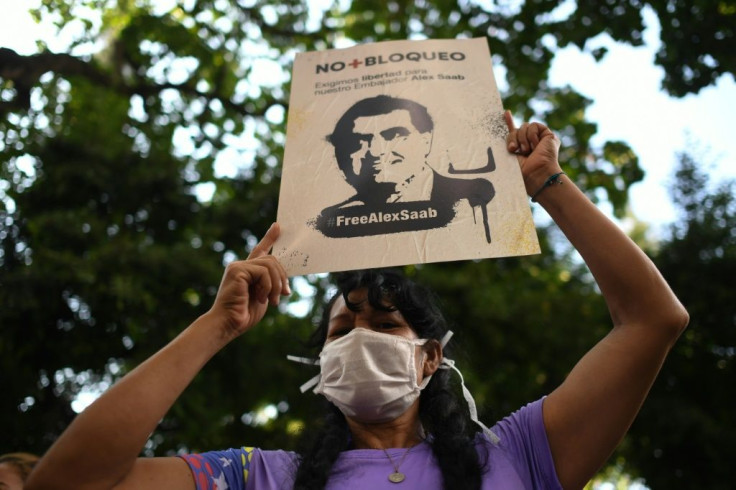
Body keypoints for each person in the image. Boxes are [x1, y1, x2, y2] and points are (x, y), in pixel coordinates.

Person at [25, 114, 689, 490]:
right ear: (321, 367)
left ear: (432, 359)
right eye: (341, 329)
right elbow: (68, 487)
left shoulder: (515, 457)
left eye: (384, 321)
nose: (360, 337)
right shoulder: (264, 478)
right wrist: (212, 328)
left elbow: (654, 320)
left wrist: (546, 184)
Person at [315, 95, 496, 242]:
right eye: (360, 140)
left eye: (394, 135)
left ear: (426, 141)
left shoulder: (472, 197)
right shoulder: (332, 220)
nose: (377, 151)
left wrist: (524, 186)